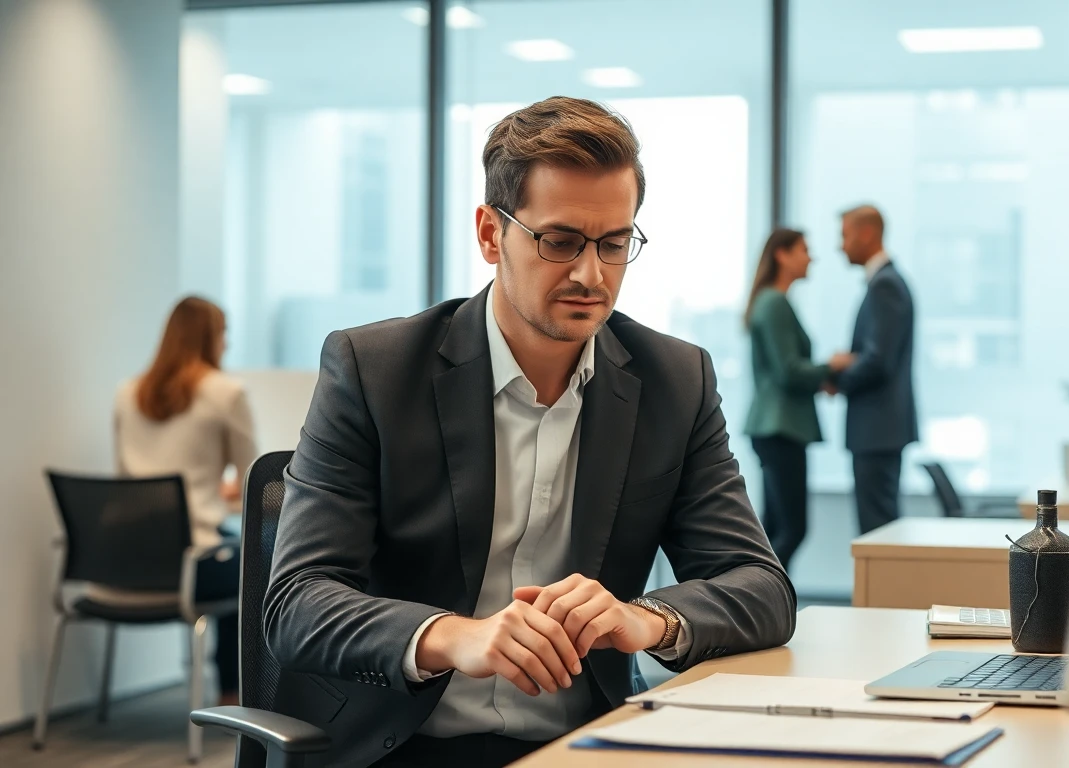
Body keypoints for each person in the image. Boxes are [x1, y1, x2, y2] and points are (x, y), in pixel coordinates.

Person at [263, 96, 796, 768]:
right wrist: (455, 637)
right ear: (491, 234)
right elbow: (297, 602)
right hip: (402, 744)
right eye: (560, 241)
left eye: (613, 243)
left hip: (581, 746)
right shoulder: (374, 371)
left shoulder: (674, 381)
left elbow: (761, 587)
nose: (590, 275)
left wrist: (644, 620)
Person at [113, 296, 256, 706]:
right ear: (210, 338)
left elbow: (129, 478)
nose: (227, 343)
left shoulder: (127, 393)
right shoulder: (226, 392)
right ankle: (233, 696)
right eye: (223, 332)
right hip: (190, 567)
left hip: (122, 561)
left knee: (234, 554)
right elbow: (254, 478)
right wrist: (220, 488)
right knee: (252, 569)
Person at [743, 228, 852, 571]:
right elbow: (788, 370)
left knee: (775, 528)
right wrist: (830, 366)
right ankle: (766, 603)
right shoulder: (774, 302)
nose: (811, 257)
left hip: (776, 426)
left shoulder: (772, 301)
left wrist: (820, 380)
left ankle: (760, 606)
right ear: (782, 255)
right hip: (780, 426)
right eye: (804, 249)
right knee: (792, 528)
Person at [830, 205, 918, 534]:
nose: (841, 245)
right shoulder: (883, 283)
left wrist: (837, 377)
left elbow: (878, 360)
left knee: (877, 531)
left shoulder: (885, 285)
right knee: (878, 528)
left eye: (845, 235)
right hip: (880, 429)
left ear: (867, 233)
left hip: (878, 429)